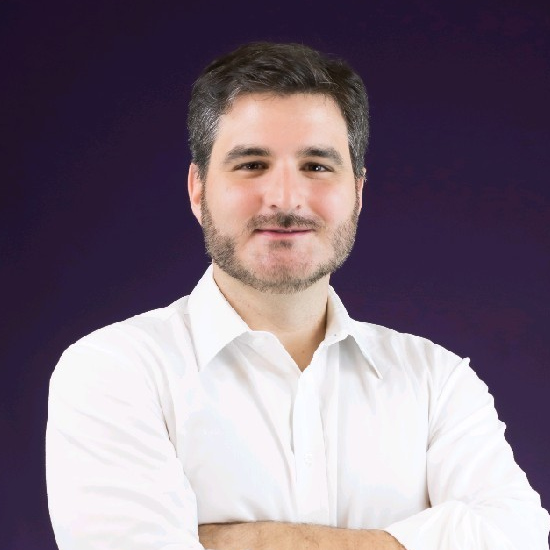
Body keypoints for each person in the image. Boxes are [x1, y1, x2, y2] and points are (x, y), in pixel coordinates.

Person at [46, 42, 549, 550]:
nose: (285, 199)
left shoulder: (436, 381)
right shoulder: (115, 371)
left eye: (316, 166)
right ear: (198, 189)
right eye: (251, 164)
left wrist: (247, 542)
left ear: (358, 192)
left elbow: (520, 537)